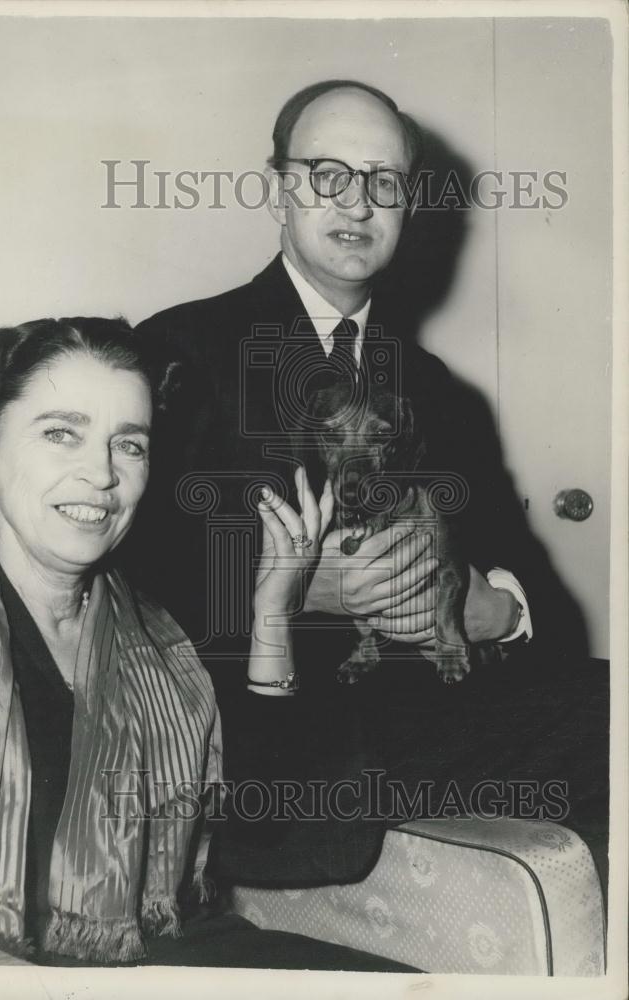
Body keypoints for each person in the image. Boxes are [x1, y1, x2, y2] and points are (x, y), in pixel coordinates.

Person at [130, 80, 593, 885]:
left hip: (432, 720)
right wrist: (298, 586)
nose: (357, 202)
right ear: (279, 185)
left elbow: (543, 603)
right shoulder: (179, 347)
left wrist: (488, 609)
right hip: (271, 741)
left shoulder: (439, 389)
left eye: (382, 180)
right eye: (326, 174)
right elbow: (118, 577)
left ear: (407, 203)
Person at [0, 316, 417, 972]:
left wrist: (271, 610)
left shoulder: (158, 634)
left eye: (128, 445)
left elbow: (268, 829)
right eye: (61, 434)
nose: (100, 473)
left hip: (158, 949)